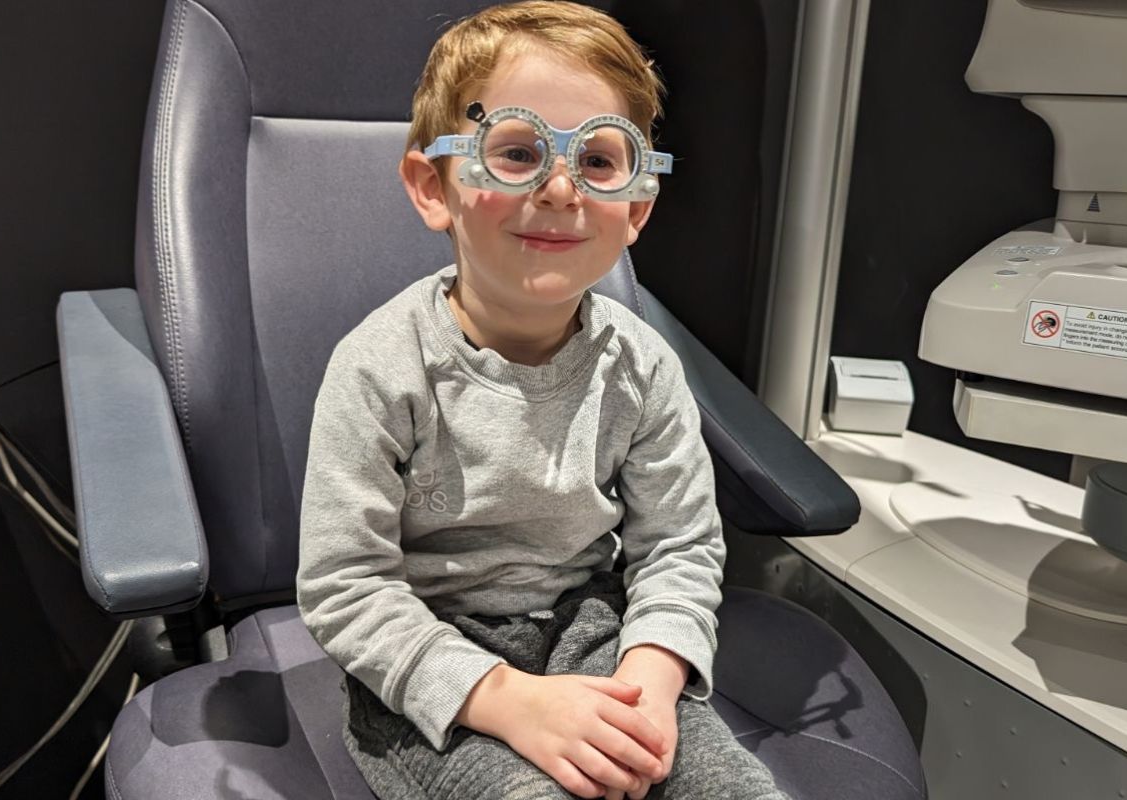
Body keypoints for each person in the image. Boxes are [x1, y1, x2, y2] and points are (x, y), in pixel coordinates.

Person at [297, 3, 788, 798]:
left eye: (598, 162)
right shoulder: (380, 368)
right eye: (517, 153)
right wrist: (509, 701)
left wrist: (651, 688)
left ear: (636, 207)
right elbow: (345, 587)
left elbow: (678, 550)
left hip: (592, 632)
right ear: (433, 186)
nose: (561, 188)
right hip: (432, 666)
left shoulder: (643, 368)